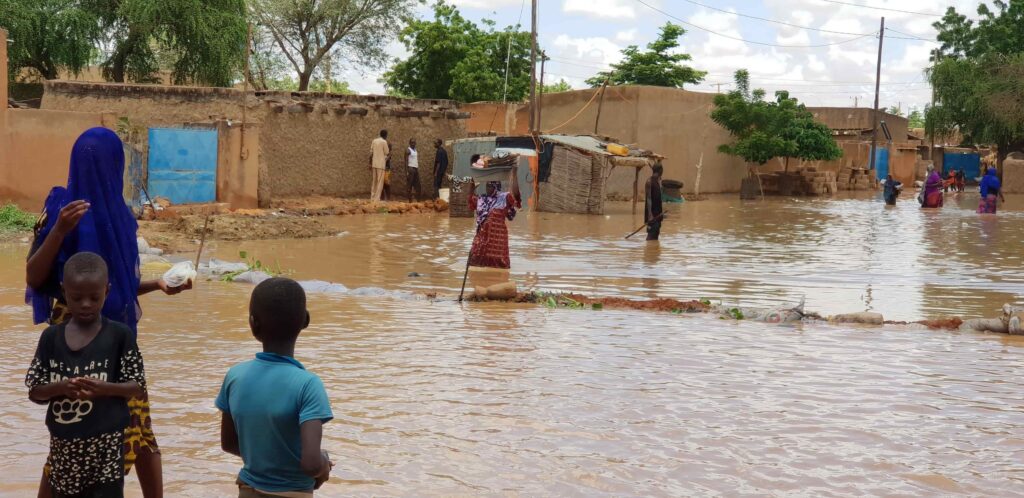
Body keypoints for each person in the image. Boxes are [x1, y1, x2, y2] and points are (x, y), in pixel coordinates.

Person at [26, 127, 189, 498]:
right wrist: (59, 230)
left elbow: (114, 288)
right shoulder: (60, 208)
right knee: (71, 430)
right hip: (70, 342)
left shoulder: (120, 216)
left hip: (115, 340)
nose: (93, 167)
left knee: (137, 429)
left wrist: (158, 285)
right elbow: (36, 278)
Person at [26, 252, 147, 498]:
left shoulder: (120, 336)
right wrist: (62, 387)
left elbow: (137, 386)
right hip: (64, 451)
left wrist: (105, 389)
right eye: (76, 297)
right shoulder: (51, 338)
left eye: (94, 297)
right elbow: (35, 390)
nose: (85, 304)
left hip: (107, 448)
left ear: (107, 291)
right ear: (63, 291)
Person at [217, 278, 334, 497]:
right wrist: (324, 463)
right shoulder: (308, 384)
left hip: (248, 490)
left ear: (253, 323)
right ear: (305, 320)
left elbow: (229, 444)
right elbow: (311, 464)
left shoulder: (235, 376)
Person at [467, 161, 521, 270]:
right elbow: (470, 200)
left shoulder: (504, 198)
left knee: (500, 268)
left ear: (496, 186)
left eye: (490, 185)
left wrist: (514, 174)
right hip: (482, 239)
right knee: (475, 265)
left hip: (498, 241)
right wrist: (472, 182)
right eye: (487, 185)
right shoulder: (482, 199)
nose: (488, 188)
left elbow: (516, 195)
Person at [644, 163, 665, 241]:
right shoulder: (649, 182)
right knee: (651, 236)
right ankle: (649, 251)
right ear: (660, 170)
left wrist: (661, 214)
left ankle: (654, 252)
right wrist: (650, 216)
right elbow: (649, 199)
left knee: (656, 236)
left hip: (658, 215)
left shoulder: (658, 182)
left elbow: (658, 199)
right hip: (652, 216)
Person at [369, 130, 389, 202]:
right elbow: (386, 152)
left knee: (374, 181)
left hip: (374, 164)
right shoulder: (384, 142)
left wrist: (370, 163)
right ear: (385, 135)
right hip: (381, 165)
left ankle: (372, 197)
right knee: (380, 182)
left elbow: (371, 153)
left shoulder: (374, 141)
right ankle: (377, 199)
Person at [405, 138, 421, 202]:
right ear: (409, 143)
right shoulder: (408, 150)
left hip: (415, 169)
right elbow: (405, 161)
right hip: (410, 169)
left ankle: (418, 200)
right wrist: (406, 172)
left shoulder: (415, 150)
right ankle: (410, 200)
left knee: (418, 185)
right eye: (412, 142)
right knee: (409, 185)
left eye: (414, 142)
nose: (413, 144)